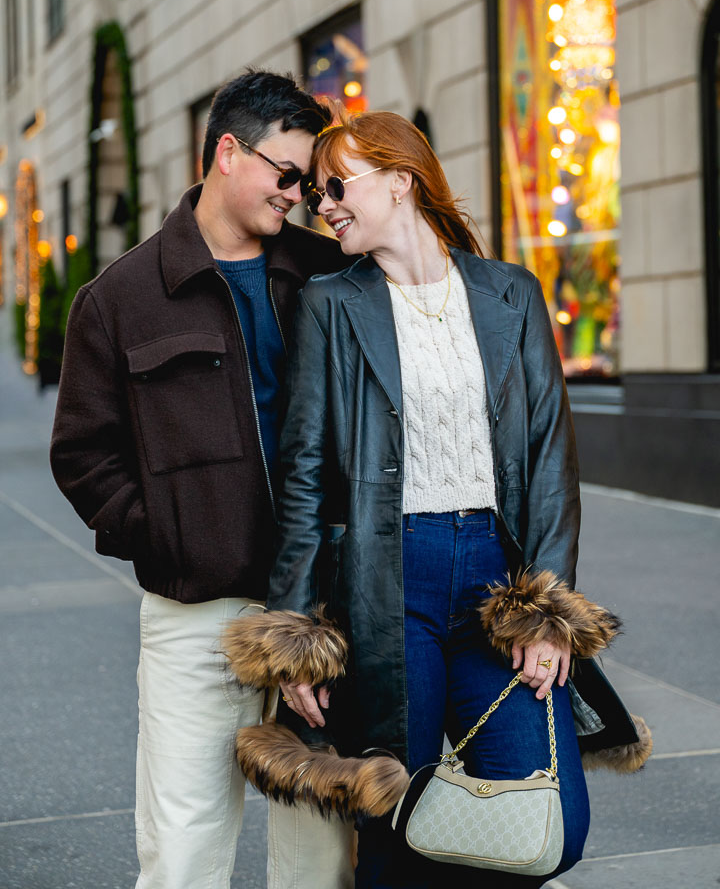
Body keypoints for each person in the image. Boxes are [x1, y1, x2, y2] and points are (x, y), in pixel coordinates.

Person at [225, 107, 652, 888]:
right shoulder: (331, 303)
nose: (324, 205)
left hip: (499, 583)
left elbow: (550, 462)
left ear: (401, 181)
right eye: (317, 193)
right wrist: (296, 639)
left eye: (338, 186)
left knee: (546, 824)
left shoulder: (511, 294)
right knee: (395, 821)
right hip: (386, 583)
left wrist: (549, 613)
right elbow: (306, 476)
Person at [49, 70, 356, 889]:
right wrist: (171, 538)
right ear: (228, 152)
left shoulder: (327, 274)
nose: (296, 195)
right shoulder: (119, 299)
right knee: (183, 850)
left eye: (307, 182)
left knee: (322, 856)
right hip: (199, 620)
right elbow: (82, 454)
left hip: (322, 611)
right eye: (285, 174)